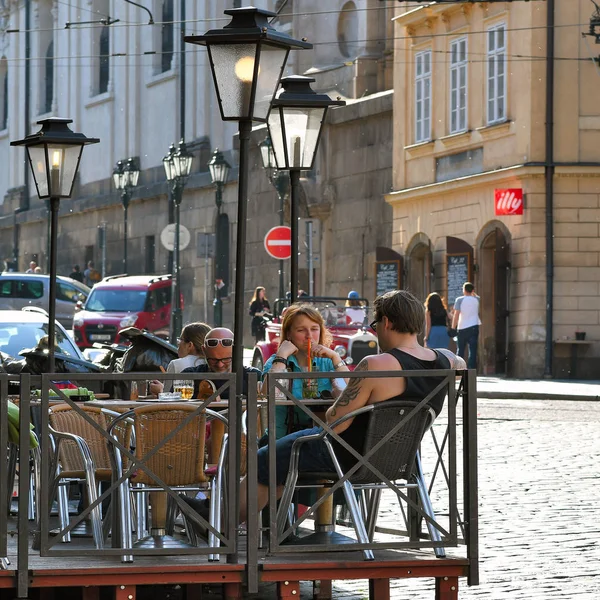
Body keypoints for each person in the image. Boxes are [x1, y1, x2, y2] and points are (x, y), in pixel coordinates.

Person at [233, 289, 464, 524]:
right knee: (278, 460)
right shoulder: (445, 360)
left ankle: (223, 526)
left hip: (346, 455)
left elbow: (336, 422)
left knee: (264, 458)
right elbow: (460, 363)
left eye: (375, 324)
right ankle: (279, 526)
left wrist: (337, 397)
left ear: (386, 322)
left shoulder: (374, 364)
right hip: (401, 458)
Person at [263, 303, 349, 439]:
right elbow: (271, 395)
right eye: (301, 330)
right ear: (289, 334)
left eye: (314, 329)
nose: (309, 336)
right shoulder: (277, 362)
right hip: (281, 441)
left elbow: (349, 396)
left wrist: (336, 358)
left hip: (322, 440)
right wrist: (281, 357)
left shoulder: (327, 362)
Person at [181, 327, 262, 400]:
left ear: (236, 353)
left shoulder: (252, 376)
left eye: (226, 359)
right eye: (213, 360)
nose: (220, 365)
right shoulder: (189, 376)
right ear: (204, 350)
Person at [149, 322, 211, 395]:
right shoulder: (213, 364)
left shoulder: (176, 364)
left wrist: (159, 391)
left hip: (184, 406)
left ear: (190, 345)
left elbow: (167, 401)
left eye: (180, 340)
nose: (178, 344)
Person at [451, 282, 480, 370]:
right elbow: (476, 296)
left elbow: (456, 314)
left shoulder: (459, 300)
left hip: (462, 327)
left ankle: (459, 369)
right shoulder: (477, 299)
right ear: (472, 290)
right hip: (474, 326)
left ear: (464, 290)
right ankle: (471, 369)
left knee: (460, 350)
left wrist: (453, 327)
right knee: (473, 350)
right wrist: (472, 292)